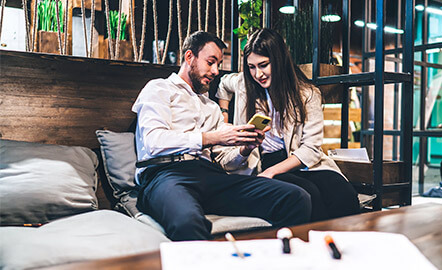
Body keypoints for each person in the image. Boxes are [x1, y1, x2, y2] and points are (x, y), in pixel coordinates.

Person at [132, 31, 311, 241]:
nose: (215, 71)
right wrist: (213, 137)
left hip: (212, 176)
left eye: (218, 64)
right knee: (187, 222)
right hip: (165, 175)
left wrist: (245, 148)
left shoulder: (212, 108)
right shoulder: (159, 89)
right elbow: (154, 142)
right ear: (189, 57)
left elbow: (226, 162)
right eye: (210, 62)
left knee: (296, 197)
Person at [217, 28, 360, 221]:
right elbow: (223, 84)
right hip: (263, 161)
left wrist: (273, 171)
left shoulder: (307, 94)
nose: (257, 74)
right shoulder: (244, 84)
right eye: (251, 67)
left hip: (298, 161)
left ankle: (344, 244)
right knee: (309, 195)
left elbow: (311, 149)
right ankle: (314, 244)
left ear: (279, 60)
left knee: (342, 192)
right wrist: (224, 116)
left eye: (263, 65)